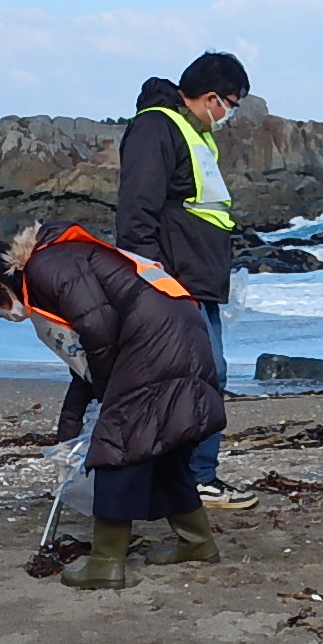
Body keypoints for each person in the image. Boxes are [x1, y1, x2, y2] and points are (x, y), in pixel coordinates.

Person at [0, 222, 226, 588]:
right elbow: (84, 365)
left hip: (152, 342)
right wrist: (67, 436)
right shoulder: (54, 266)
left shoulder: (47, 268)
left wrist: (108, 400)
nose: (4, 315)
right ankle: (198, 542)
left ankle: (107, 563)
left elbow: (99, 332)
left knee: (118, 448)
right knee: (163, 451)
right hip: (178, 331)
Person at [116, 52, 258, 510]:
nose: (228, 116)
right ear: (212, 97)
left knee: (207, 374)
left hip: (198, 281)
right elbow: (136, 212)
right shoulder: (157, 127)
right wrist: (154, 279)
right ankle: (194, 478)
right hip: (175, 283)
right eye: (231, 105)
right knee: (201, 375)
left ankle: (193, 476)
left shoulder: (192, 134)